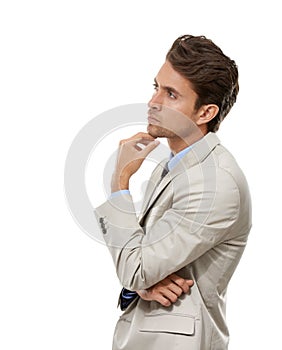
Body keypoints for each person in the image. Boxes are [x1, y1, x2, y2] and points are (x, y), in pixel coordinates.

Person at [95, 34, 252, 350]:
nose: (154, 102)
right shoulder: (174, 168)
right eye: (156, 87)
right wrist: (140, 285)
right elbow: (139, 265)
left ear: (204, 113)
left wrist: (119, 183)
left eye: (171, 94)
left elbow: (135, 267)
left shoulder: (215, 182)